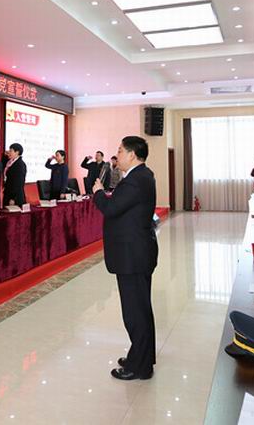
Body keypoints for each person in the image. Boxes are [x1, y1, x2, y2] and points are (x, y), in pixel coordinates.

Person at [92, 136, 157, 380]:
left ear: (132, 154)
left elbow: (111, 209)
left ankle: (140, 367)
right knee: (140, 309)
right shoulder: (142, 175)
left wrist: (98, 193)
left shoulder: (135, 180)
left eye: (120, 150)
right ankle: (141, 356)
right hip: (137, 252)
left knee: (135, 313)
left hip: (133, 255)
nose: (117, 154)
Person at [2, 142, 27, 207]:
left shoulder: (20, 165)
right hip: (8, 193)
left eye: (11, 151)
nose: (9, 152)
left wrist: (13, 198)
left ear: (17, 152)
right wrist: (4, 156)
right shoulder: (10, 162)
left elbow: (19, 183)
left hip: (15, 197)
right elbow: (3, 166)